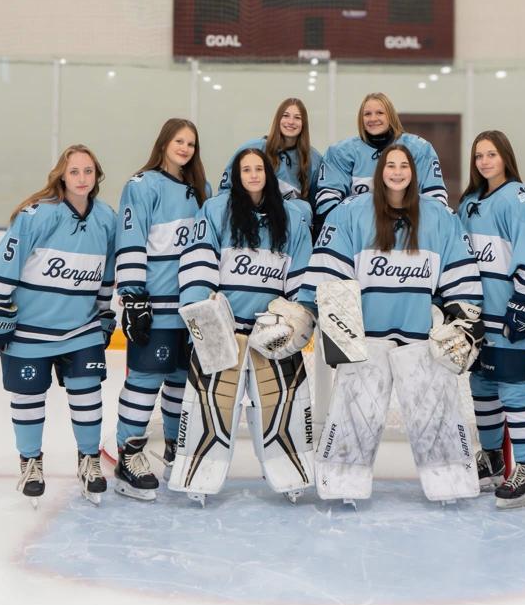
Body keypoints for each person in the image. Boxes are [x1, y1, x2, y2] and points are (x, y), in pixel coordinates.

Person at [299, 144, 482, 502]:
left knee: (436, 414)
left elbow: (460, 276)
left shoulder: (439, 217)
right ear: (380, 171)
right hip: (366, 339)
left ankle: (449, 482)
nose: (397, 172)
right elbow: (330, 274)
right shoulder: (351, 213)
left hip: (422, 339)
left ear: (414, 173)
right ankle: (342, 481)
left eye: (404, 166)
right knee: (355, 414)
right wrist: (338, 334)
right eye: (390, 165)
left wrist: (462, 322)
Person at [171, 147, 314, 500]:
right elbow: (198, 261)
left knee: (281, 405)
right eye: (245, 169)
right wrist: (204, 318)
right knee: (210, 407)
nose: (252, 175)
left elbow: (301, 274)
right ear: (236, 176)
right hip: (226, 332)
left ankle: (292, 476)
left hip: (272, 334)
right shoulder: (216, 210)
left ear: (268, 174)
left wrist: (297, 317)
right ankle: (198, 478)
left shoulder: (292, 218)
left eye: (258, 169)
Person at [0, 145, 116, 504]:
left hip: (81, 329)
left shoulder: (106, 218)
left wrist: (104, 313)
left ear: (97, 176)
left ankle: (89, 461)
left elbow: (107, 274)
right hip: (29, 331)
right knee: (28, 398)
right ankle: (30, 463)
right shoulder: (37, 215)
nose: (82, 178)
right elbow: (4, 264)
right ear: (62, 176)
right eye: (75, 172)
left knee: (88, 393)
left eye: (88, 171)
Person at [114, 118, 208, 500]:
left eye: (191, 143)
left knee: (181, 383)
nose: (185, 148)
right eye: (179, 141)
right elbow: (131, 237)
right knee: (144, 381)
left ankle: (174, 450)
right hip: (155, 305)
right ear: (164, 143)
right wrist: (133, 295)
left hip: (191, 307)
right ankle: (128, 457)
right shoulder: (142, 185)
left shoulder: (200, 190)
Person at [458, 130, 525, 508]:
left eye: (491, 154)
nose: (484, 161)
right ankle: (493, 460)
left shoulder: (518, 198)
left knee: (514, 389)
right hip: (476, 316)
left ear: (505, 157)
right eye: (479, 155)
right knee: (482, 386)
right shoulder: (469, 202)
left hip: (509, 313)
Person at [314, 92, 447, 222]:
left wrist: (422, 226)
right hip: (357, 227)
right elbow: (327, 201)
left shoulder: (419, 148)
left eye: (380, 113)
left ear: (391, 115)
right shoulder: (340, 152)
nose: (373, 119)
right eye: (367, 114)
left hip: (410, 225)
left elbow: (435, 196)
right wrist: (350, 227)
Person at [217, 97, 322, 224]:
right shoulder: (253, 149)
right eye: (286, 116)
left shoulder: (314, 159)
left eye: (297, 117)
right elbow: (226, 188)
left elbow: (315, 205)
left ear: (304, 123)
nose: (291, 122)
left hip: (287, 226)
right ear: (278, 119)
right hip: (249, 220)